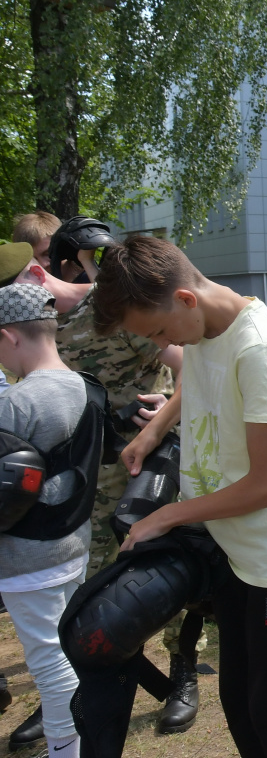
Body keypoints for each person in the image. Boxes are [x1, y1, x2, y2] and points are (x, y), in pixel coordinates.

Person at [92, 235, 267, 758]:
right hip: (232, 553)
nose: (159, 345)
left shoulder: (259, 347)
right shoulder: (203, 331)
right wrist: (155, 431)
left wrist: (169, 515)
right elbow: (193, 375)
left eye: (157, 331)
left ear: (185, 300)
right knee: (240, 703)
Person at [2, 226, 198, 741]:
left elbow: (191, 366)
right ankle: (68, 695)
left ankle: (181, 675)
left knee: (163, 567)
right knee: (85, 589)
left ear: (39, 275)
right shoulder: (33, 328)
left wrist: (163, 416)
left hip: (143, 466)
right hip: (82, 478)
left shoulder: (111, 310)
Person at [0, 281, 101, 758]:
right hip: (73, 542)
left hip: (27, 556)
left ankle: (66, 749)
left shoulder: (17, 405)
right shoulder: (85, 388)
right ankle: (78, 740)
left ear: (9, 336)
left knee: (47, 660)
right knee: (66, 648)